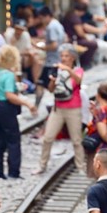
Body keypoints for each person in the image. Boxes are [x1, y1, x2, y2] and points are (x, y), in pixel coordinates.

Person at [35, 44, 85, 176]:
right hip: (58, 108)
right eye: (62, 56)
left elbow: (78, 81)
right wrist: (52, 81)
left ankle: (80, 166)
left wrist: (67, 70)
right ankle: (42, 165)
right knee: (48, 137)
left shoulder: (77, 70)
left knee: (76, 140)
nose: (63, 58)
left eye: (66, 56)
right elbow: (51, 90)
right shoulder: (58, 70)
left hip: (73, 109)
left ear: (72, 57)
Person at [0, 45, 37, 180]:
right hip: (5, 107)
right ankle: (13, 171)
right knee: (13, 139)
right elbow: (9, 95)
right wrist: (27, 103)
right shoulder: (9, 75)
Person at [33, 6, 66, 107]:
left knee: (41, 84)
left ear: (47, 16)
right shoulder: (57, 24)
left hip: (52, 61)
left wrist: (41, 48)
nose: (41, 21)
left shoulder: (51, 27)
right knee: (50, 84)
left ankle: (36, 107)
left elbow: (54, 45)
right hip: (58, 60)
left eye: (42, 18)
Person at [85, 82, 107, 176]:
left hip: (101, 150)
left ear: (98, 95)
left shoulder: (102, 111)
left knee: (100, 179)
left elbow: (103, 133)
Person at [4, 19, 40, 86]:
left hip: (23, 58)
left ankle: (36, 84)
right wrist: (13, 42)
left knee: (36, 59)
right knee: (16, 62)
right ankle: (17, 85)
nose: (19, 31)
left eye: (21, 30)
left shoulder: (26, 35)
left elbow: (29, 49)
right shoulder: (8, 34)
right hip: (11, 57)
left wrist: (31, 53)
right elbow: (8, 51)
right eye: (17, 29)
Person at [62, 2, 98, 69]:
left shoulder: (69, 15)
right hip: (73, 40)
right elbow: (80, 33)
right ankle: (85, 63)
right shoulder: (75, 18)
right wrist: (87, 38)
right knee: (93, 44)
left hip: (71, 39)